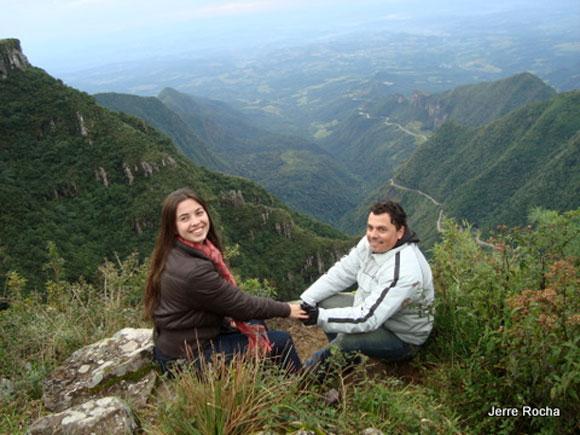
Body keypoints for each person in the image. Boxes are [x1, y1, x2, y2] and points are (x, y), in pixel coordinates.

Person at [144, 187, 307, 374]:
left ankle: (264, 375)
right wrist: (288, 309)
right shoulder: (194, 271)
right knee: (282, 341)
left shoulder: (178, 250)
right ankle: (302, 391)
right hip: (188, 358)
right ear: (173, 226)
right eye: (185, 218)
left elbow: (219, 302)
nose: (196, 222)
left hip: (185, 338)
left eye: (199, 213)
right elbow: (242, 306)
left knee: (257, 322)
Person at [299, 200, 434, 367]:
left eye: (382, 229)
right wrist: (307, 300)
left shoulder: (404, 270)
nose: (373, 235)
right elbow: (344, 271)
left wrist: (318, 316)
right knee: (324, 301)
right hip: (375, 313)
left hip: (401, 337)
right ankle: (347, 360)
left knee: (348, 339)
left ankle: (307, 375)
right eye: (370, 227)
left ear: (400, 232)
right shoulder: (372, 243)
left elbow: (367, 318)